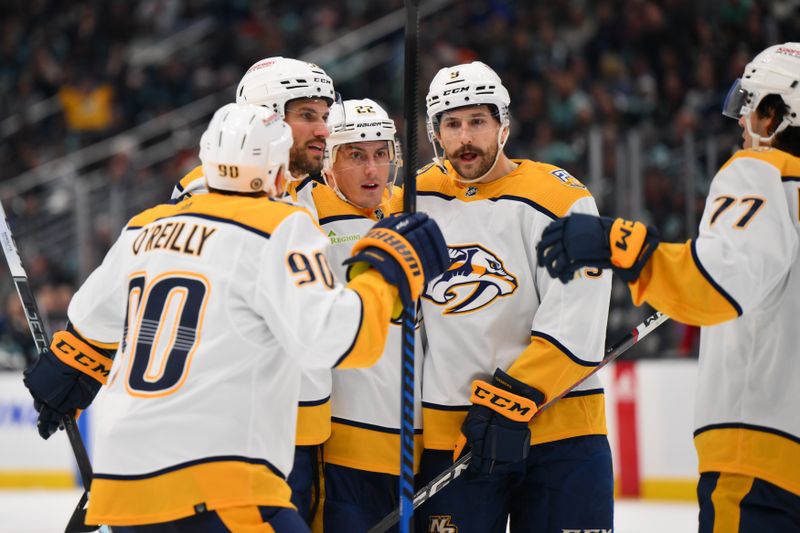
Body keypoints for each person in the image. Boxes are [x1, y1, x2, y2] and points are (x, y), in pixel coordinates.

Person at [22, 103, 450, 531]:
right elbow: (337, 340)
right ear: (281, 172)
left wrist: (65, 372)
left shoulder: (146, 227)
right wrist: (386, 275)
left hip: (120, 481)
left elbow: (89, 324)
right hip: (220, 481)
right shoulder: (279, 227)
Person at [537, 42, 800, 532]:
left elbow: (714, 286)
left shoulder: (762, 172)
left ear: (771, 115)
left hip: (764, 465)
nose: (740, 127)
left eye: (747, 111)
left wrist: (621, 244)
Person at [414, 61, 614, 533]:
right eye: (452, 124)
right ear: (435, 131)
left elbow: (576, 322)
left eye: (478, 122)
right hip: (457, 439)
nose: (465, 137)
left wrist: (505, 403)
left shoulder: (559, 198)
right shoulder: (412, 199)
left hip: (561, 436)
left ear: (503, 125)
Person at [171, 56, 337, 523]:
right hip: (240, 433)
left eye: (325, 115)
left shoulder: (310, 190)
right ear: (265, 117)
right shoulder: (206, 192)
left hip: (305, 430)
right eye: (307, 115)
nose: (323, 129)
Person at [294, 98, 421, 532]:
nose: (372, 170)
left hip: (415, 442)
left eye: (381, 155)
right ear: (328, 161)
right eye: (356, 156)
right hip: (345, 445)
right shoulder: (304, 214)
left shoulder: (411, 209)